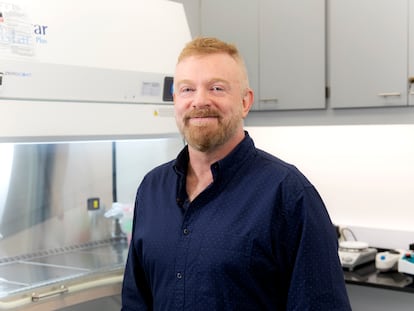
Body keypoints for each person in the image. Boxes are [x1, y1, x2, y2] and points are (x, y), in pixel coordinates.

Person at [121, 37, 351, 310]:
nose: (199, 101)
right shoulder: (151, 189)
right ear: (175, 101)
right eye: (187, 89)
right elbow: (136, 302)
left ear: (245, 101)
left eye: (216, 88)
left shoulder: (289, 195)